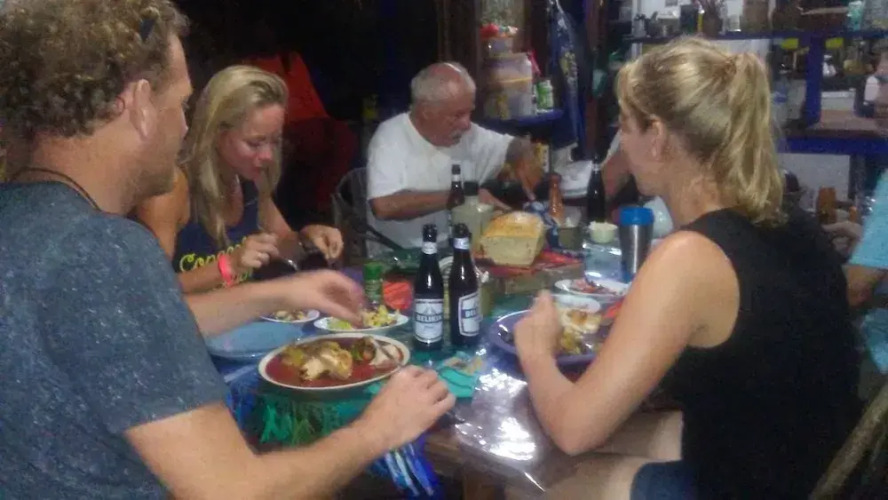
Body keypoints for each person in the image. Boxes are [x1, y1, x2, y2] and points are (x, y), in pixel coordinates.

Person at [0, 1, 454, 498]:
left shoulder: (23, 220)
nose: (185, 128)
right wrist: (378, 429)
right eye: (182, 105)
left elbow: (138, 327)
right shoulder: (100, 248)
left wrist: (279, 292)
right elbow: (236, 490)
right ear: (141, 104)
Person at [513, 38, 859, 498]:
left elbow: (575, 430)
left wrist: (536, 350)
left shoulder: (688, 257)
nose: (622, 141)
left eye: (625, 125)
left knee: (530, 477)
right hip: (808, 461)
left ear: (657, 137)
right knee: (569, 437)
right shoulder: (789, 219)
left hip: (764, 486)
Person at [135, 65, 345, 294]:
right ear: (216, 133)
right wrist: (228, 266)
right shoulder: (171, 189)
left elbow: (282, 242)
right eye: (254, 143)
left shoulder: (249, 178)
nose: (267, 156)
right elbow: (150, 291)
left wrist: (309, 238)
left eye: (275, 141)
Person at [367, 62, 543, 250]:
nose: (466, 124)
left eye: (469, 112)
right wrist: (461, 197)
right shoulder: (391, 136)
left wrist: (522, 153)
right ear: (426, 112)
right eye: (457, 115)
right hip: (401, 256)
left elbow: (511, 145)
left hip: (460, 250)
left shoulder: (468, 135)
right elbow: (383, 206)